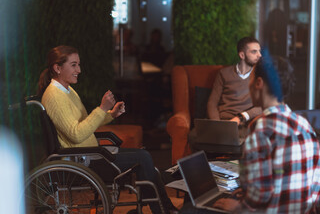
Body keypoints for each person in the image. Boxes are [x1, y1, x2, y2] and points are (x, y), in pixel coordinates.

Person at [37, 45, 178, 214]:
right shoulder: (54, 96)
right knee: (143, 158)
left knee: (144, 158)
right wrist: (102, 108)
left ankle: (160, 206)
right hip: (83, 160)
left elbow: (85, 122)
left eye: (79, 64)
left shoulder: (67, 90)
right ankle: (162, 209)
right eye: (74, 65)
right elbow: (76, 134)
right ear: (57, 68)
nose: (79, 70)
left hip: (90, 154)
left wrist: (111, 114)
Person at [180, 53, 320, 214]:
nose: (249, 85)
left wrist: (240, 207)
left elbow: (258, 196)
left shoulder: (261, 129)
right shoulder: (306, 126)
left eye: (251, 80)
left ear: (259, 83)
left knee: (190, 209)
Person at [207, 37, 262, 128]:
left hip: (245, 124)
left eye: (259, 51)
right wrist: (217, 125)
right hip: (223, 122)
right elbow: (212, 103)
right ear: (242, 55)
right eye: (254, 51)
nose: (259, 55)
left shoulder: (259, 76)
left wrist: (241, 117)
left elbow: (264, 106)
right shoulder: (223, 73)